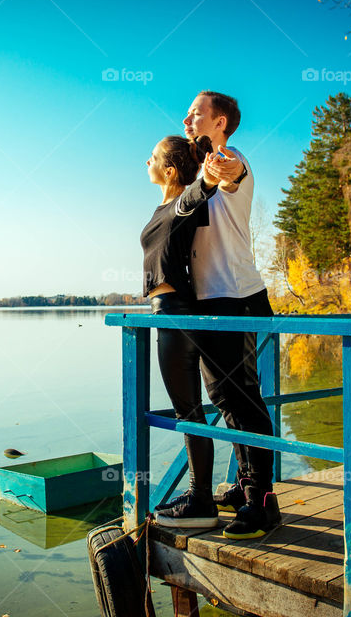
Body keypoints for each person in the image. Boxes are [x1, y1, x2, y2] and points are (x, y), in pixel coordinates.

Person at [156, 91, 281, 540]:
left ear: (220, 121)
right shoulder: (200, 164)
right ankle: (247, 484)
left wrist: (226, 171)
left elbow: (231, 175)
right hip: (208, 302)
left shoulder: (231, 157)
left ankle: (263, 502)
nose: (187, 117)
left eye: (196, 113)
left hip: (238, 296)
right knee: (228, 401)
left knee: (244, 399)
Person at [140, 134, 221, 528]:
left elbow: (202, 188)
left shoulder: (182, 203)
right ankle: (201, 495)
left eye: (153, 157)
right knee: (190, 412)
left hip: (174, 314)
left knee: (188, 413)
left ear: (169, 170)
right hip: (170, 314)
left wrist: (208, 163)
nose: (146, 161)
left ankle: (201, 500)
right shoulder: (164, 207)